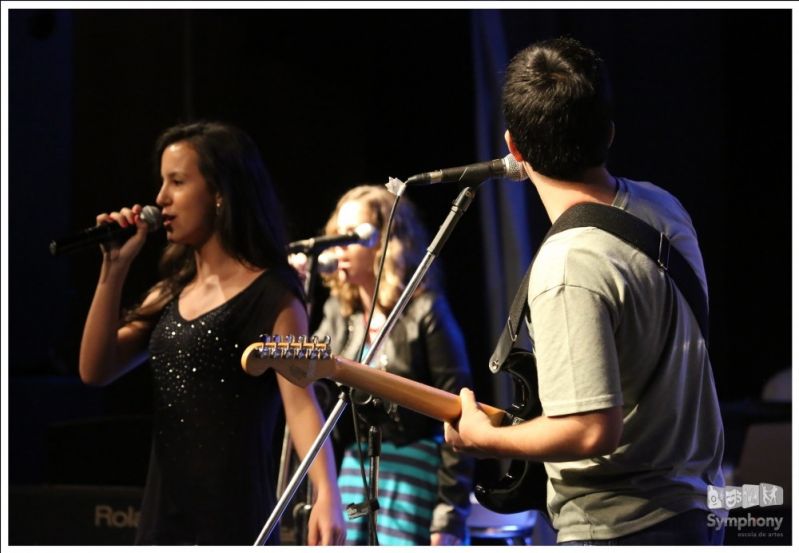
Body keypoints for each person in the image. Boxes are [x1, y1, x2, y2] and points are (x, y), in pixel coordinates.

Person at [444, 37, 726, 545]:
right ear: (609, 132)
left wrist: (489, 438)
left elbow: (592, 430)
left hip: (622, 529)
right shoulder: (663, 207)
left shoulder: (567, 265)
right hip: (696, 513)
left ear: (513, 148)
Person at [78, 121, 345, 545]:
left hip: (235, 520)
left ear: (220, 193)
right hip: (163, 520)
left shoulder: (271, 294)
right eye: (161, 182)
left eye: (177, 182)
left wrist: (328, 494)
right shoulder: (171, 290)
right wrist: (113, 267)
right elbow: (96, 369)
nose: (160, 198)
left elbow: (301, 403)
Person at [296, 185, 474, 545]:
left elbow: (459, 413)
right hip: (354, 471)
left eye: (352, 236)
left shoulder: (425, 311)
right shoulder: (336, 314)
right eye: (336, 236)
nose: (338, 247)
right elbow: (309, 395)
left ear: (386, 242)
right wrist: (295, 301)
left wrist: (449, 518)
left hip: (416, 477)